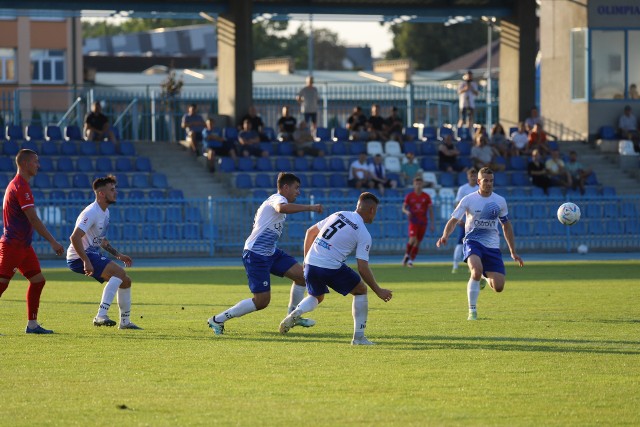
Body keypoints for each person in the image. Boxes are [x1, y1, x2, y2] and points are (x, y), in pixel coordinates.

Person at [207, 172, 323, 335]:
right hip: (255, 255)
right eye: (296, 188)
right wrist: (310, 207)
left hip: (271, 253)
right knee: (262, 301)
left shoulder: (274, 201)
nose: (298, 192)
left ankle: (292, 317)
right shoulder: (277, 199)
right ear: (285, 187)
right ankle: (217, 320)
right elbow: (281, 207)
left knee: (302, 277)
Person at [278, 192, 393, 345]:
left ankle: (296, 312)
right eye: (376, 211)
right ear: (372, 210)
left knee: (316, 296)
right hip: (329, 266)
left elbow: (310, 232)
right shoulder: (363, 233)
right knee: (361, 290)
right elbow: (362, 267)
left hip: (312, 262)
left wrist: (306, 260)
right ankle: (359, 338)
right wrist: (378, 290)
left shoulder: (339, 214)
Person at [436, 167, 524, 320]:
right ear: (478, 182)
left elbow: (506, 225)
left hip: (492, 246)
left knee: (498, 287)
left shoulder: (499, 201)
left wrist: (512, 251)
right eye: (485, 181)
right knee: (475, 271)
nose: (489, 183)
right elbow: (454, 220)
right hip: (472, 242)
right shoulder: (468, 199)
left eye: (491, 181)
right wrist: (445, 236)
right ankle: (472, 311)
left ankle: (484, 277)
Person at [0, 149, 65, 334]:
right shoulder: (20, 187)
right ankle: (32, 325)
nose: (38, 165)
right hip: (13, 245)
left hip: (23, 246)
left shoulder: (19, 185)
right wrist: (53, 241)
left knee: (38, 281)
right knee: (1, 284)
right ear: (27, 164)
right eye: (36, 162)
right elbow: (33, 219)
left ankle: (33, 325)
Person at [67, 175, 141, 330]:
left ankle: (125, 322)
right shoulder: (91, 212)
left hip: (91, 254)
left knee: (126, 281)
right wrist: (86, 261)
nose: (115, 193)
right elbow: (74, 237)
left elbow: (101, 240)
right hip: (79, 256)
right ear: (101, 193)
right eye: (112, 190)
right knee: (119, 273)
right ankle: (100, 316)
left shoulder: (105, 212)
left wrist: (118, 254)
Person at [401, 176, 434, 268]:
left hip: (423, 221)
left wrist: (432, 224)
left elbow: (430, 210)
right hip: (413, 221)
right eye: (416, 184)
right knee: (413, 239)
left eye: (420, 184)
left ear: (422, 184)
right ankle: (407, 254)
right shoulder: (410, 196)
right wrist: (407, 211)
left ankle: (411, 260)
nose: (418, 185)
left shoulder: (426, 196)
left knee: (418, 242)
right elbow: (403, 207)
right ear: (414, 185)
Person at [452, 168, 478, 273]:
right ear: (468, 177)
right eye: (471, 175)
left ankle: (471, 265)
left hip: (476, 221)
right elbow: (457, 204)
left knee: (474, 243)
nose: (473, 177)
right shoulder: (463, 189)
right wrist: (459, 219)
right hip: (465, 220)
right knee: (460, 243)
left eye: (474, 175)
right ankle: (455, 265)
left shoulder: (479, 188)